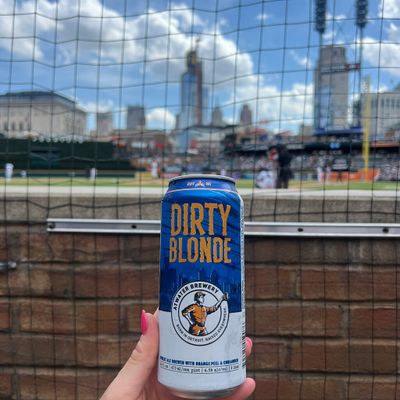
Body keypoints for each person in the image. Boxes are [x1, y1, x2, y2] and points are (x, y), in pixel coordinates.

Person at [100, 309, 256, 400]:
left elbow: (213, 309)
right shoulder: (194, 307)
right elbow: (183, 312)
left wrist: (222, 300)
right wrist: (190, 321)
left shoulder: (203, 308)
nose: (202, 298)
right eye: (201, 297)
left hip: (204, 332)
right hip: (194, 330)